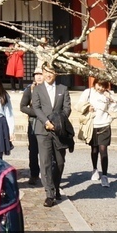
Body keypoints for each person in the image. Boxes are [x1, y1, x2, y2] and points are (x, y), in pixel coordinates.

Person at [30, 65, 72, 207]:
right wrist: (47, 122)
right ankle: (49, 193)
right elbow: (36, 108)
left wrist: (58, 121)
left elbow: (67, 108)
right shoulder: (37, 89)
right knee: (46, 161)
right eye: (46, 72)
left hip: (59, 130)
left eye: (51, 72)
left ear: (56, 73)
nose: (48, 75)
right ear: (42, 73)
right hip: (43, 130)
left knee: (60, 162)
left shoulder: (62, 89)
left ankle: (55, 185)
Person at [78, 79, 117, 188]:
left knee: (103, 150)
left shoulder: (109, 94)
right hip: (92, 125)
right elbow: (79, 105)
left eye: (103, 86)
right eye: (98, 85)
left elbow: (115, 108)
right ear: (94, 83)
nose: (100, 88)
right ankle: (95, 169)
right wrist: (87, 107)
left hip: (104, 124)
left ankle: (104, 175)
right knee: (94, 149)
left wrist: (110, 98)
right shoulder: (88, 92)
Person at [19, 68, 44, 187]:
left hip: (47, 123)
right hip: (34, 122)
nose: (39, 76)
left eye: (41, 74)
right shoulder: (30, 89)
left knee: (48, 151)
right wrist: (36, 113)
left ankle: (48, 175)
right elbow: (23, 106)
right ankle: (34, 174)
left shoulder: (48, 90)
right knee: (33, 150)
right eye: (37, 74)